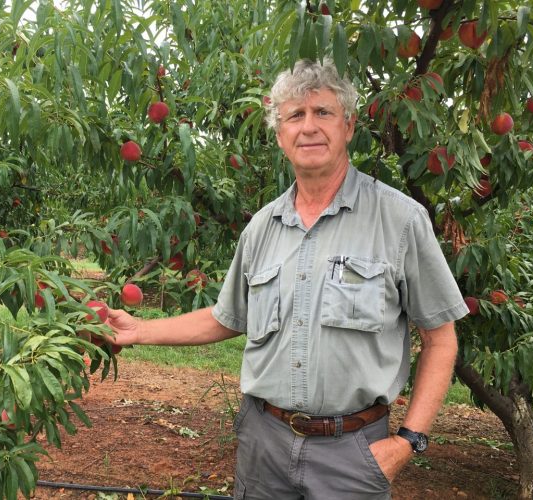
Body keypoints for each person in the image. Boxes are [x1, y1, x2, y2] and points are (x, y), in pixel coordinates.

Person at [105, 59, 469, 499]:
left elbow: (441, 336)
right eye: (295, 116)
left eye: (323, 112)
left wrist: (409, 441)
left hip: (354, 450)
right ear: (280, 136)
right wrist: (139, 330)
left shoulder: (400, 219)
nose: (309, 127)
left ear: (349, 126)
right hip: (264, 444)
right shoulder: (262, 228)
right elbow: (227, 318)